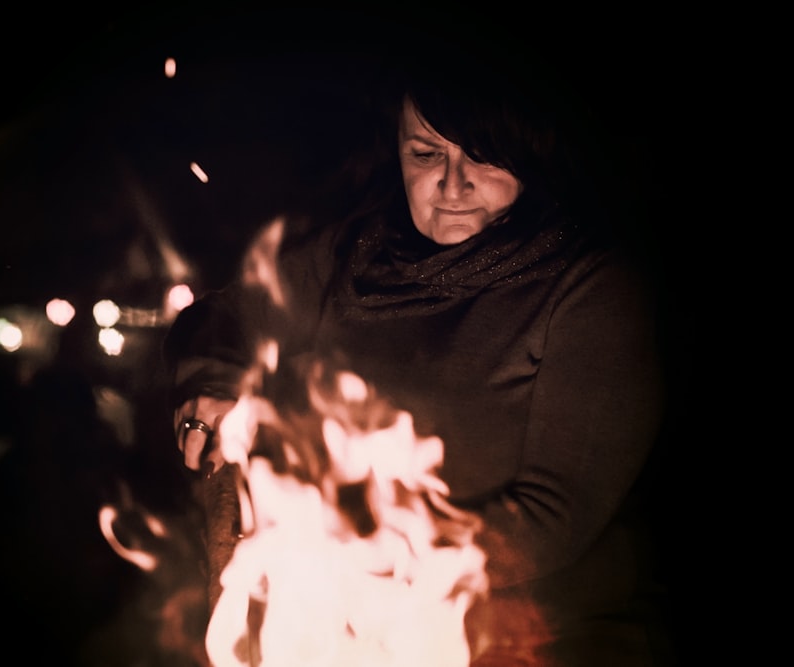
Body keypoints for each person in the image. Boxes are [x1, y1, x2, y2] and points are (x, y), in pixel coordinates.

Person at [161, 35, 678, 667]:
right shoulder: (356, 253)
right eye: (425, 152)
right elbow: (226, 315)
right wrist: (214, 382)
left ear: (533, 156)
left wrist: (356, 557)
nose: (452, 184)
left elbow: (553, 514)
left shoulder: (588, 286)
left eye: (485, 158)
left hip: (540, 641)